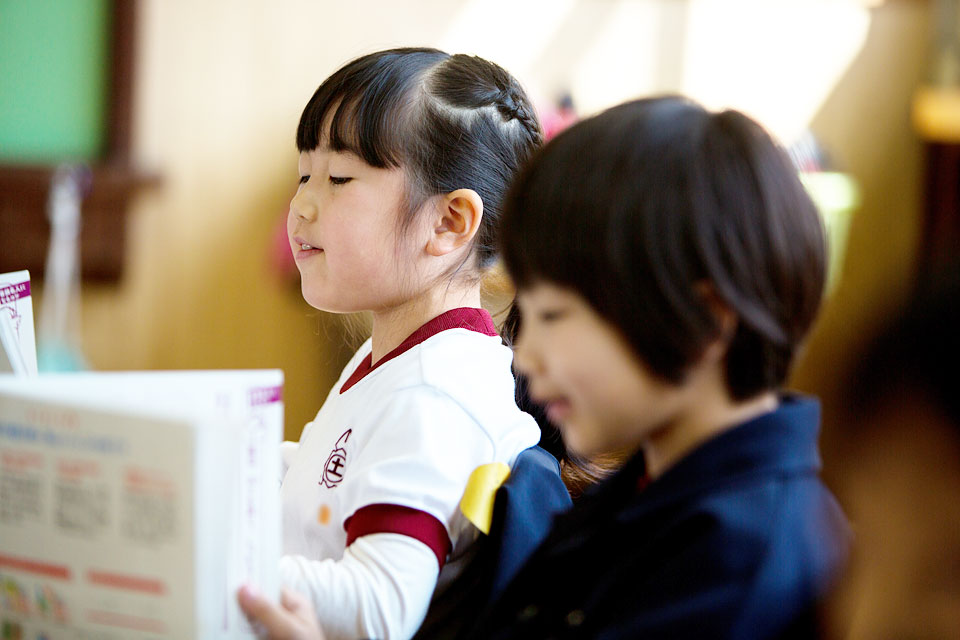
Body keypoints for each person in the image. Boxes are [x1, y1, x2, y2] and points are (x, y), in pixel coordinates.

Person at [240, 95, 850, 639]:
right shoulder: (642, 494)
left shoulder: (740, 567)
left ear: (706, 321)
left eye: (554, 316)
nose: (524, 356)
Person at [265, 47, 545, 640]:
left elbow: (379, 608)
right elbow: (328, 482)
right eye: (304, 175)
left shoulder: (436, 393)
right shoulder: (402, 359)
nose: (301, 206)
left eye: (339, 179)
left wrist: (214, 563)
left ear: (449, 222)